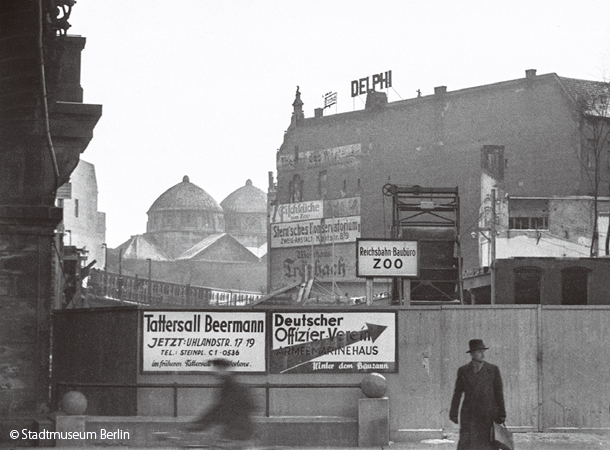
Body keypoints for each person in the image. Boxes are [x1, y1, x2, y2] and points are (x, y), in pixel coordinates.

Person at [449, 339, 506, 450]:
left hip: (488, 414)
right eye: (479, 351)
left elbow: (499, 394)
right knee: (467, 444)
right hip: (469, 414)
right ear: (472, 354)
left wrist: (502, 413)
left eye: (483, 351)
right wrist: (453, 412)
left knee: (487, 444)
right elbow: (457, 393)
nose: (483, 354)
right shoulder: (463, 370)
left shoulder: (493, 370)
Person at [186, 358, 255, 444]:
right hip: (237, 428)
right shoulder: (230, 385)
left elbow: (220, 408)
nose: (214, 371)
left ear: (223, 369)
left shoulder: (231, 387)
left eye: (217, 368)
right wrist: (200, 423)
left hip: (236, 430)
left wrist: (200, 424)